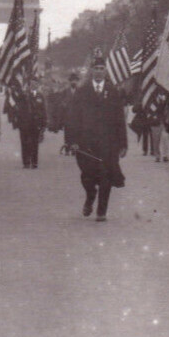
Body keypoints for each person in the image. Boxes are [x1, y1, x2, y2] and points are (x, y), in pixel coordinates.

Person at [70, 51, 128, 221]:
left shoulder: (113, 92)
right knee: (86, 176)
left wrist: (123, 144)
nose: (99, 71)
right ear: (91, 70)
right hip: (85, 143)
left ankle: (101, 211)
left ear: (106, 71)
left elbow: (119, 119)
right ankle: (90, 196)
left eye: (102, 68)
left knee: (106, 176)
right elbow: (73, 117)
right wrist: (72, 140)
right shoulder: (82, 92)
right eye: (96, 68)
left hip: (108, 143)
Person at [12, 82, 47, 168]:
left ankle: (34, 162)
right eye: (31, 84)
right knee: (24, 142)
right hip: (24, 123)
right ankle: (26, 162)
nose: (33, 85)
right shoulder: (23, 95)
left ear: (37, 85)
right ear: (29, 85)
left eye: (35, 84)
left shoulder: (40, 96)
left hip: (35, 122)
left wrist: (44, 123)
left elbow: (43, 110)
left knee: (35, 142)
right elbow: (16, 104)